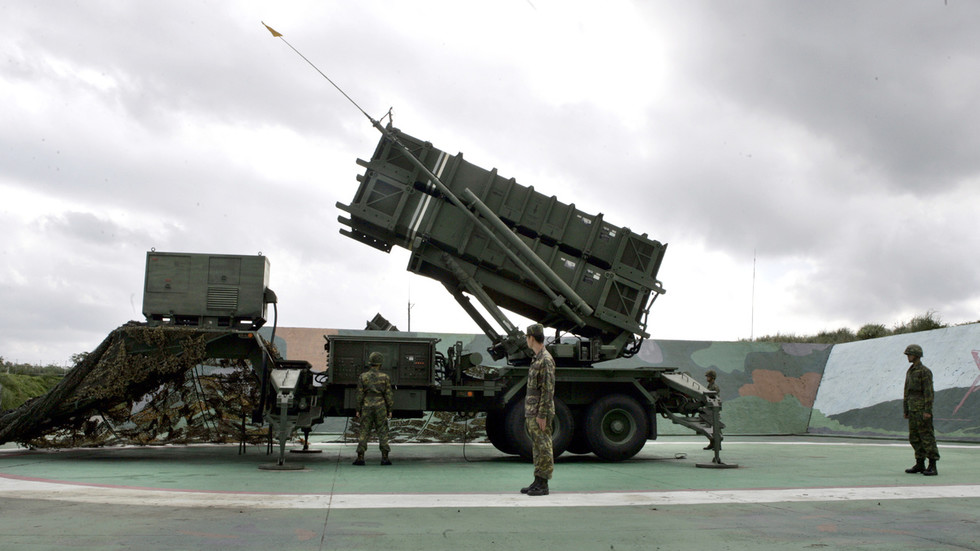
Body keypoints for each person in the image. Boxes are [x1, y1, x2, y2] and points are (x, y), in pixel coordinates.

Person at [520, 323, 556, 496]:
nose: (526, 340)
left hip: (540, 412)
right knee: (537, 446)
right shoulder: (537, 358)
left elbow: (548, 390)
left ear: (531, 338)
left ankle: (544, 484)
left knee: (544, 445)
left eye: (527, 337)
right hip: (532, 411)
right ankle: (538, 479)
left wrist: (542, 414)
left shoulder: (545, 360)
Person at [903, 344, 939, 476]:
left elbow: (929, 393)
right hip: (913, 409)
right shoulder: (911, 370)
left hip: (922, 410)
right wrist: (906, 409)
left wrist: (927, 410)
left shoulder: (924, 371)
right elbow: (907, 391)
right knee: (914, 437)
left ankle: (932, 465)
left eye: (910, 354)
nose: (908, 357)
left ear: (916, 355)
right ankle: (920, 463)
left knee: (927, 437)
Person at [353, 351, 394, 466]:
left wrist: (358, 409)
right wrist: (390, 409)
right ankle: (385, 458)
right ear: (380, 363)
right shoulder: (385, 377)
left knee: (364, 430)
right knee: (382, 431)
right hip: (381, 406)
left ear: (370, 363)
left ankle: (360, 457)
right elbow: (388, 395)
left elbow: (359, 395)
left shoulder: (363, 376)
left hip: (366, 406)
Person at [703, 370, 720, 450]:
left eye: (708, 376)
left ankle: (718, 445)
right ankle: (712, 443)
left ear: (712, 377)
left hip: (713, 409)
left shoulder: (714, 387)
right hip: (709, 409)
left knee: (716, 427)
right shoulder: (709, 386)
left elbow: (714, 398)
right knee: (709, 427)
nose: (707, 378)